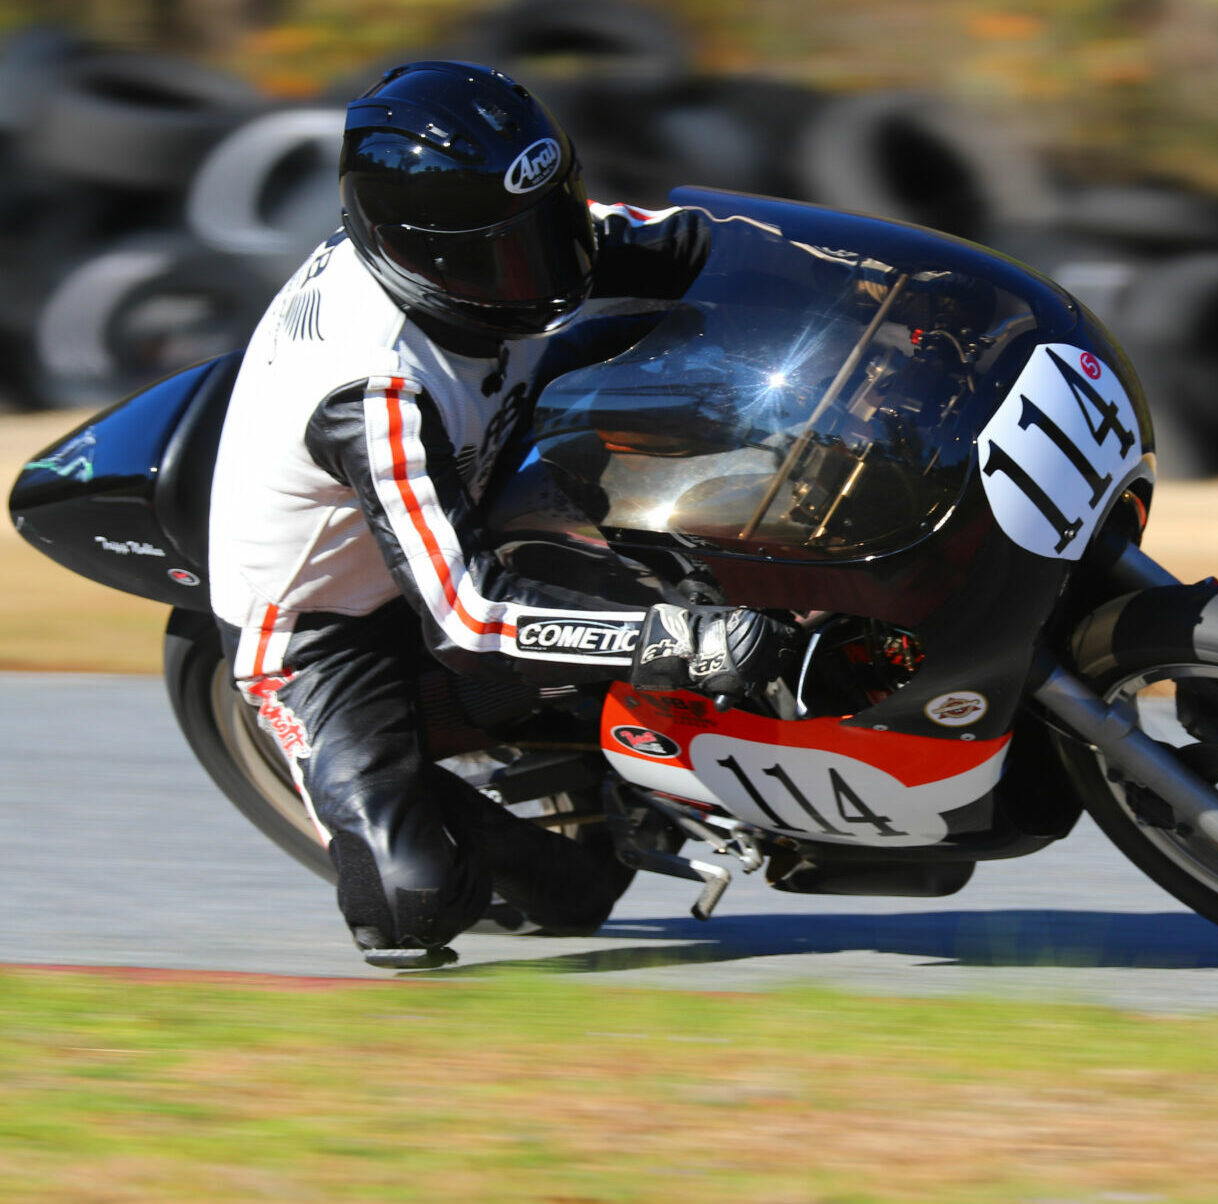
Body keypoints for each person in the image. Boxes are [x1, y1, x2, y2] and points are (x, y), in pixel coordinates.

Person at [207, 61, 793, 969]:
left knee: (712, 381)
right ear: (416, 256)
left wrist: (868, 277)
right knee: (444, 901)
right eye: (501, 255)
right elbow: (468, 616)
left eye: (548, 227)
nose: (544, 273)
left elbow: (697, 241)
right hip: (325, 625)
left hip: (474, 481)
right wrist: (685, 640)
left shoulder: (517, 234)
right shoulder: (375, 390)